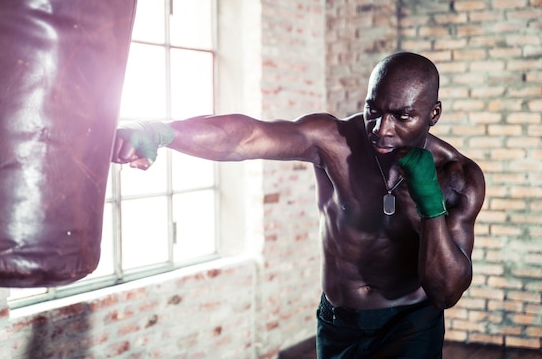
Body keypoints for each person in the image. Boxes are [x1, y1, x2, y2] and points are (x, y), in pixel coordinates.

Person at [111, 52, 486, 358]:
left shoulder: (457, 176)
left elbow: (446, 292)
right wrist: (160, 132)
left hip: (410, 324)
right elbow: (246, 137)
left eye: (402, 117)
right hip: (338, 322)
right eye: (374, 109)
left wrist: (430, 206)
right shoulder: (333, 140)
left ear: (433, 114)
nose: (381, 129)